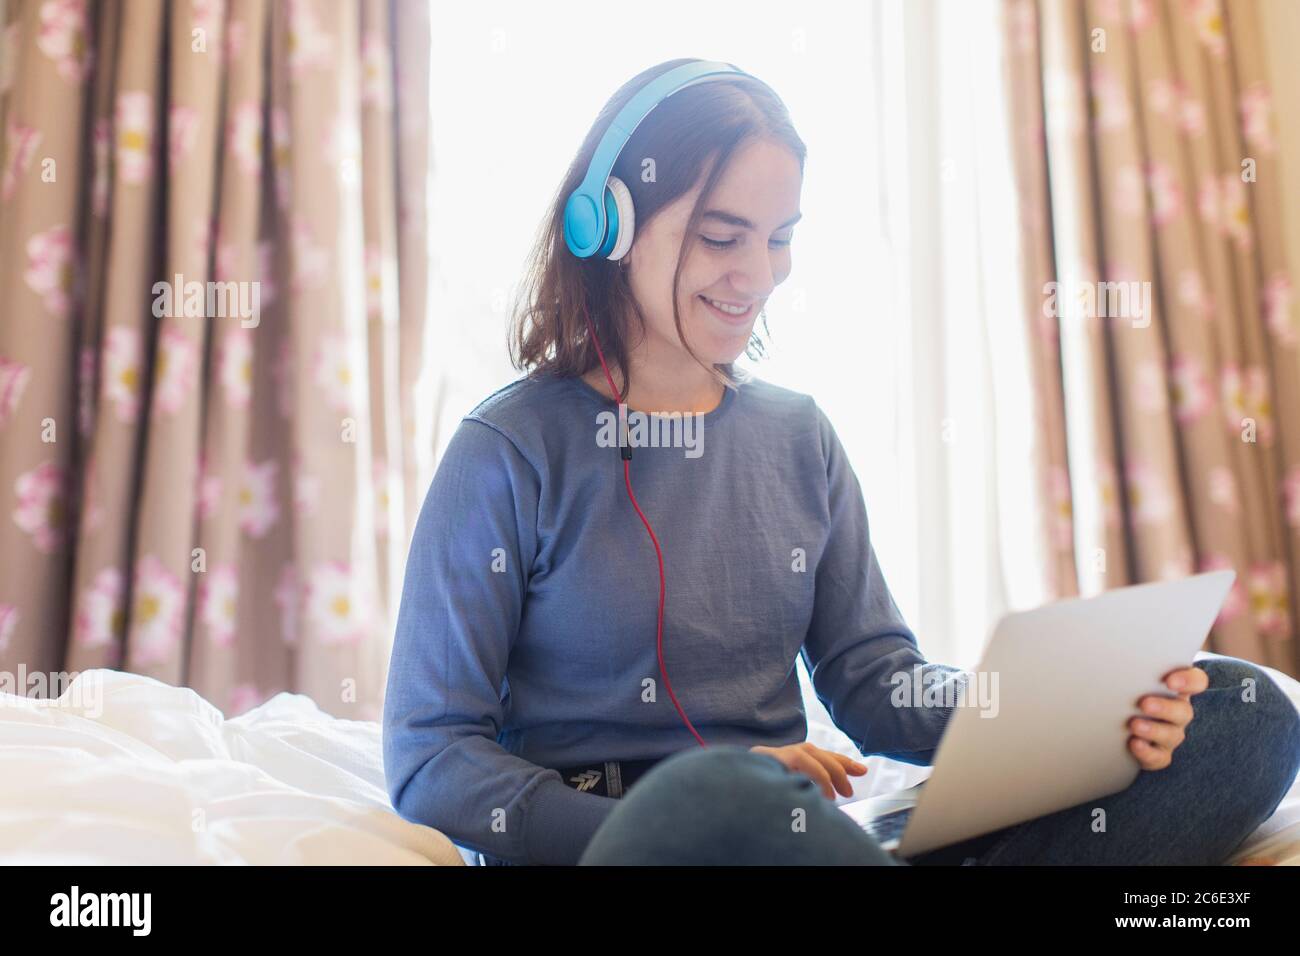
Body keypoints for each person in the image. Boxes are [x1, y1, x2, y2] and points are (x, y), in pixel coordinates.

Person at [381, 58, 1300, 867]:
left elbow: (876, 685)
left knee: (1245, 711)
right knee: (724, 804)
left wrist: (1069, 705)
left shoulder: (798, 437)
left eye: (779, 239)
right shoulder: (506, 453)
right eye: (721, 235)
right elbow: (431, 759)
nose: (760, 274)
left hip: (809, 838)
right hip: (642, 842)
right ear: (608, 225)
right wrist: (667, 814)